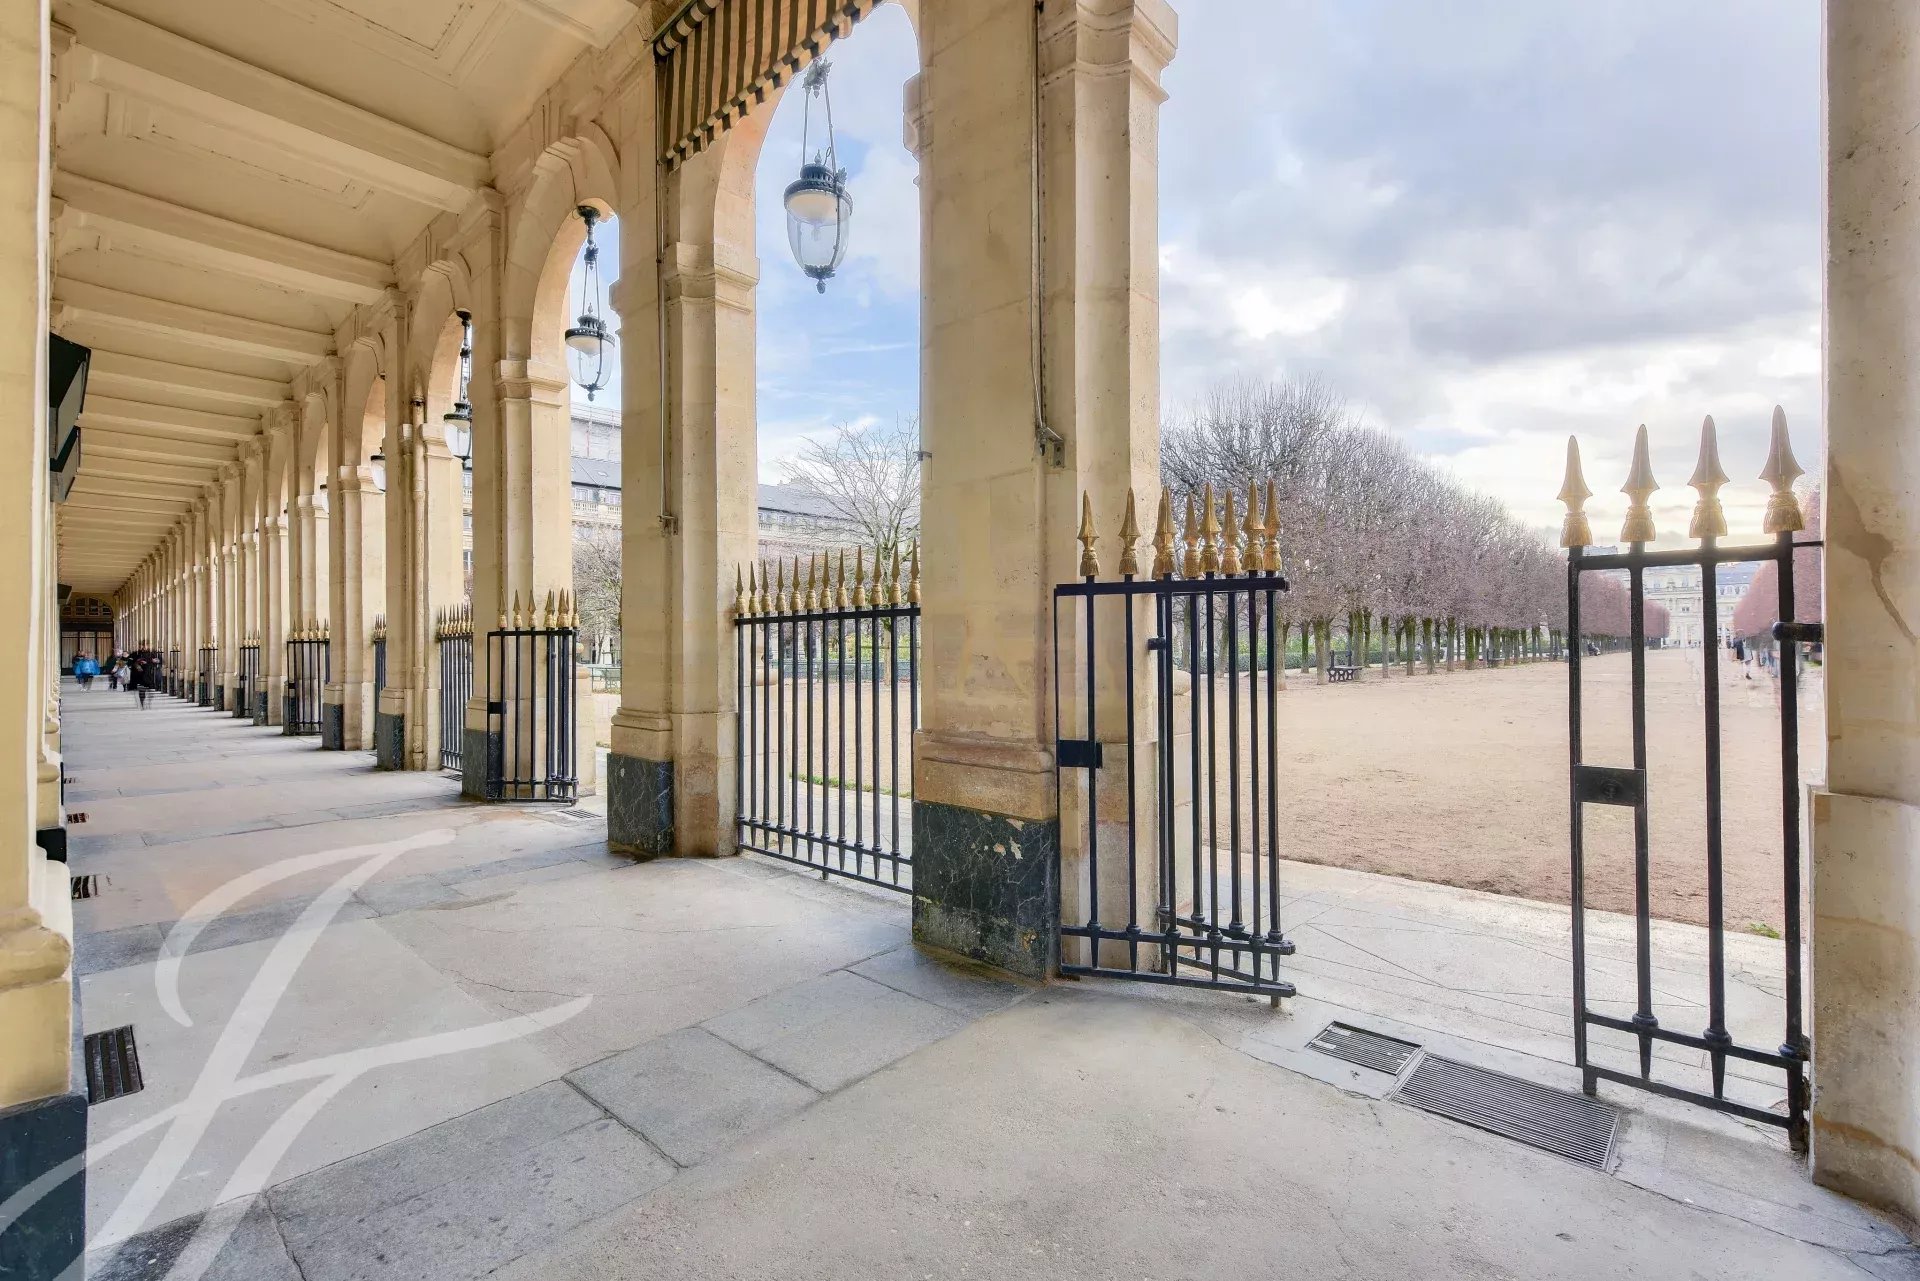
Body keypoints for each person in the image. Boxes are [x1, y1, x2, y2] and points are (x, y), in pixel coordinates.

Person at [128, 641, 163, 708]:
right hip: (139, 675)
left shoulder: (154, 653)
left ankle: (148, 702)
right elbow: (130, 662)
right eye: (142, 645)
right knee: (141, 690)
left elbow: (160, 661)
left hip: (150, 674)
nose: (143, 647)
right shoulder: (136, 653)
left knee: (150, 691)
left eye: (145, 645)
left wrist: (155, 661)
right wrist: (137, 664)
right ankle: (142, 703)